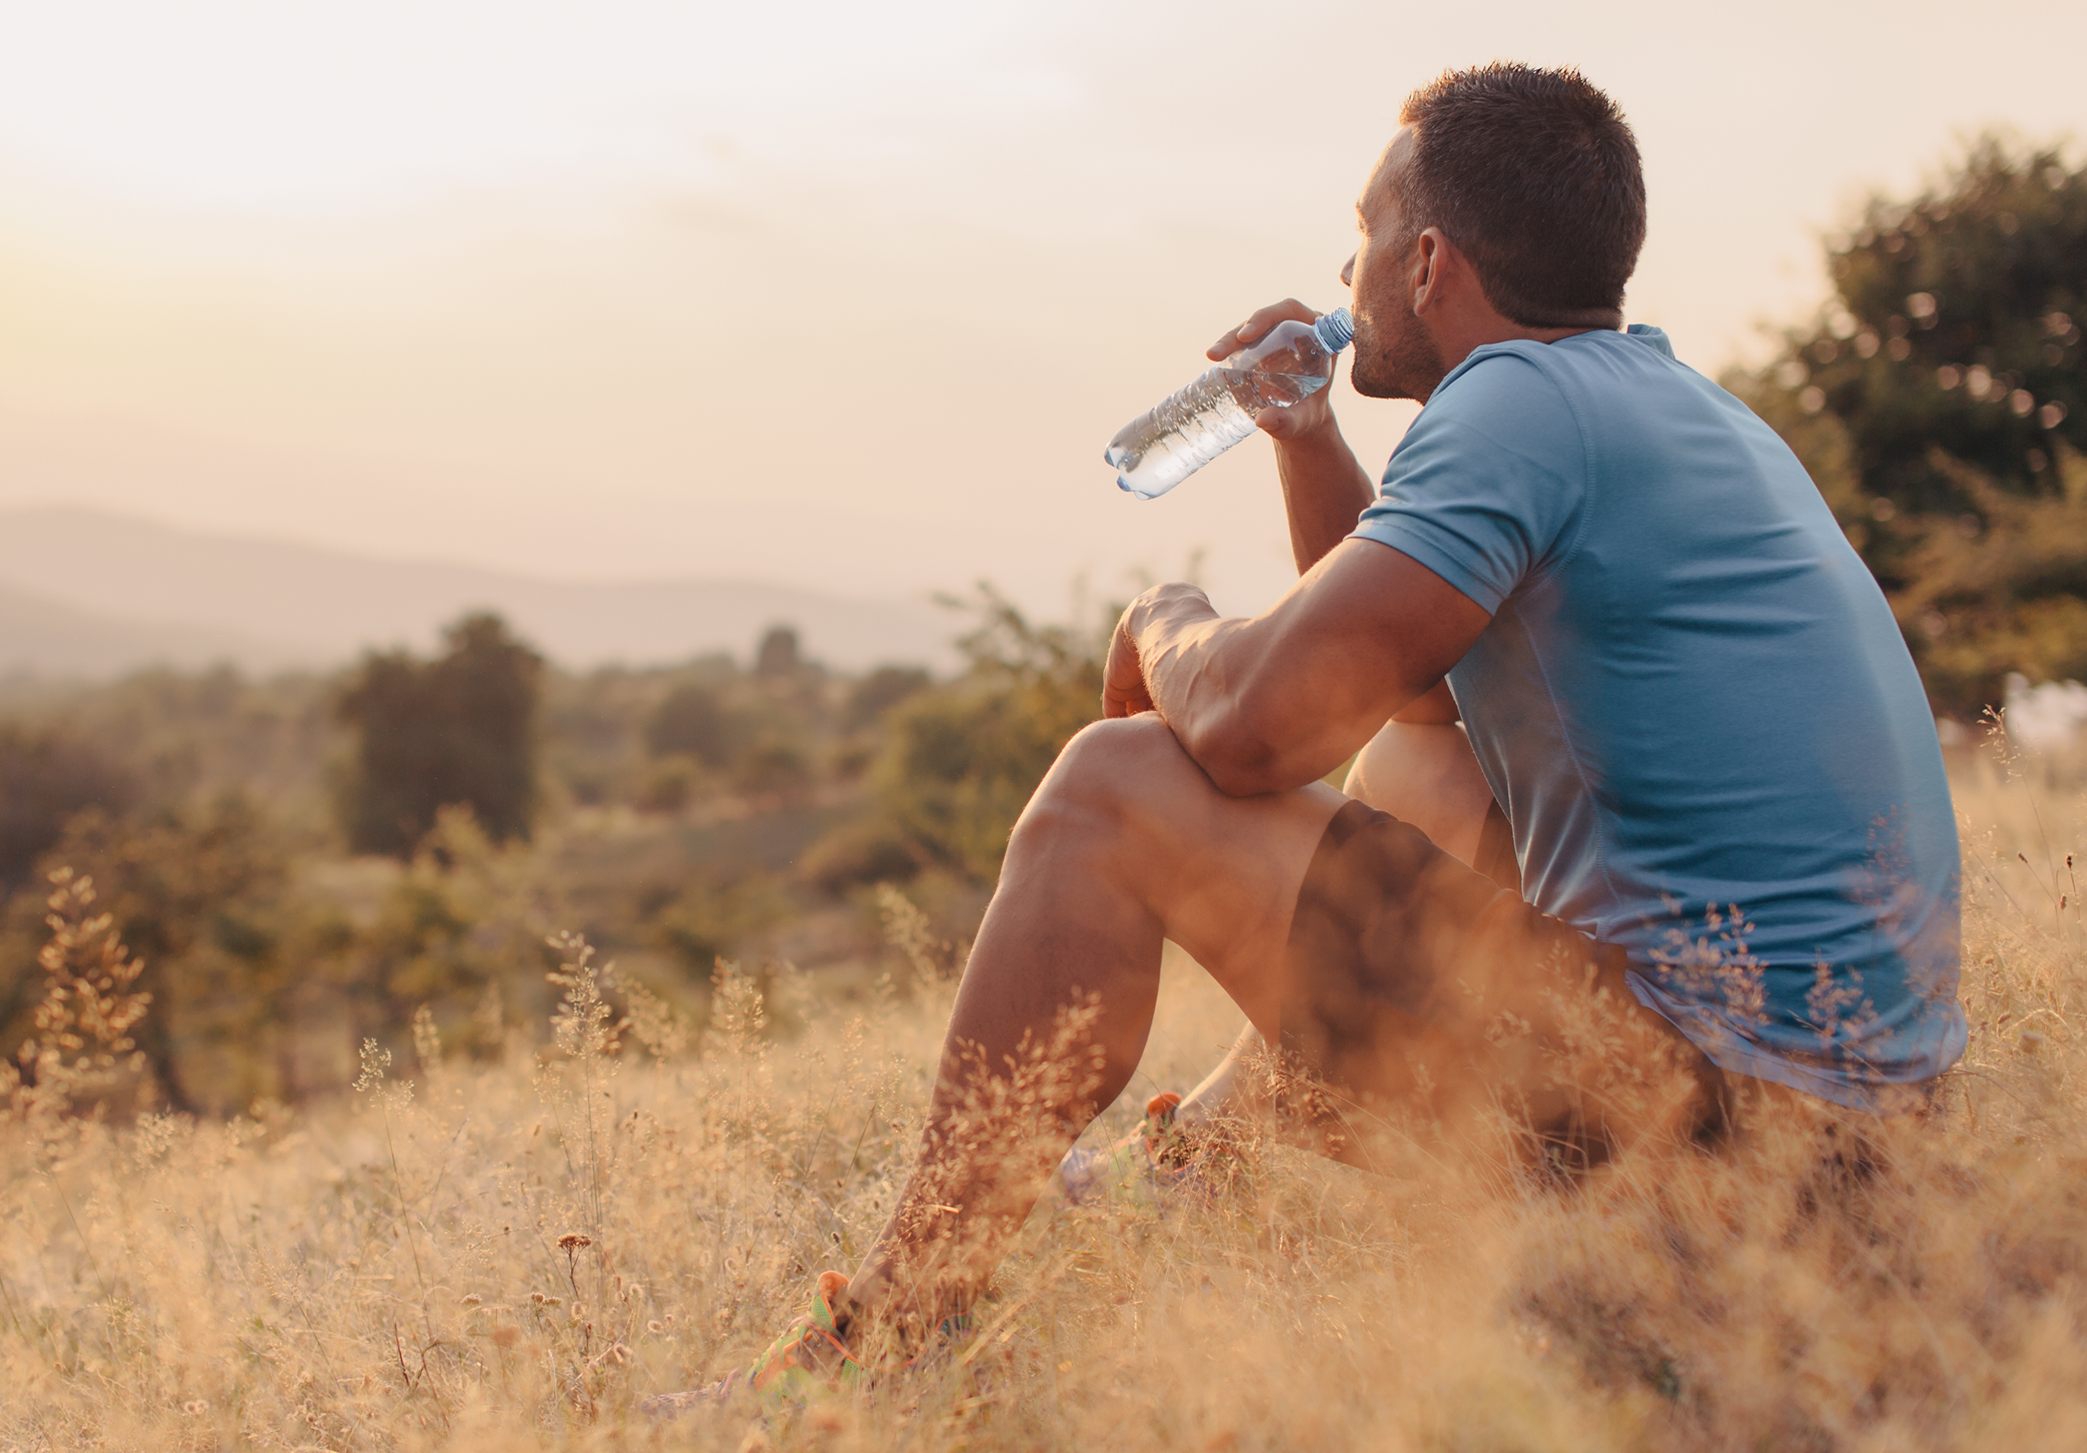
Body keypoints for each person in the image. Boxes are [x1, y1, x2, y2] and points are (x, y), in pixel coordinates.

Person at [722, 61, 1966, 1404]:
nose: (1347, 269)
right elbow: (1414, 698)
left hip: (1707, 1132)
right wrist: (1307, 441)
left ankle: (884, 1350)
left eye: (1362, 234)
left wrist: (1162, 621)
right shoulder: (1664, 405)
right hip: (1854, 1139)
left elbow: (1257, 737)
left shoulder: (1512, 409)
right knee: (1422, 766)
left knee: (1113, 781)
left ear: (1427, 262)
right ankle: (1201, 1165)